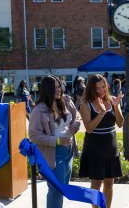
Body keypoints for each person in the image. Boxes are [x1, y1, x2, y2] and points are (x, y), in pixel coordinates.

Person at [29, 75, 81, 208]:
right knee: (56, 190)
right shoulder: (39, 110)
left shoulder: (66, 101)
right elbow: (34, 135)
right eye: (56, 88)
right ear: (47, 90)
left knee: (62, 188)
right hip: (53, 153)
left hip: (68, 151)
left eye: (60, 86)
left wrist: (76, 125)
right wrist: (57, 140)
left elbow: (77, 116)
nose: (60, 90)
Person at [78, 74, 124, 208]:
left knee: (110, 182)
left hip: (111, 147)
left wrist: (115, 107)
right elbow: (89, 128)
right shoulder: (85, 104)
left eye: (103, 87)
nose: (101, 91)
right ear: (91, 89)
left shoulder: (113, 100)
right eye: (97, 88)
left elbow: (120, 124)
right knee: (96, 184)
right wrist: (101, 113)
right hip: (95, 149)